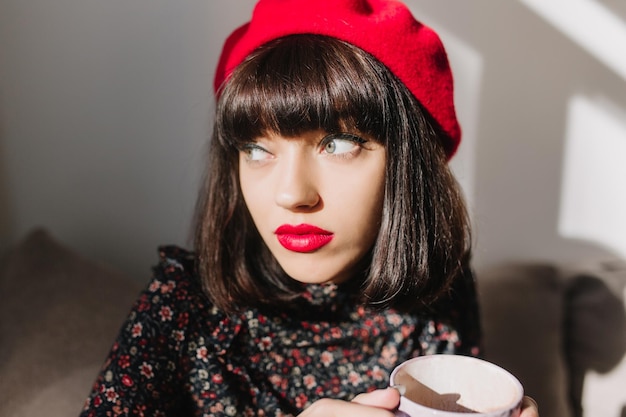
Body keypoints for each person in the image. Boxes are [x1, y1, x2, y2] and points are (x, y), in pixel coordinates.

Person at [80, 1, 539, 416]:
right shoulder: (181, 306)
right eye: (257, 150)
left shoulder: (445, 291)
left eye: (337, 143)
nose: (291, 194)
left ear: (408, 166)